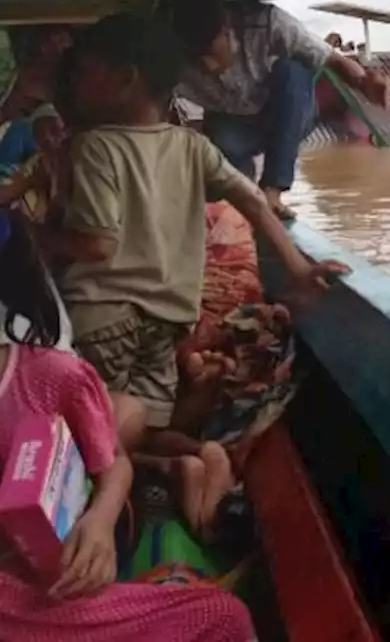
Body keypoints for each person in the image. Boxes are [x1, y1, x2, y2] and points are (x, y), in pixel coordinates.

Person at [30, 13, 347, 531]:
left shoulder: (94, 147)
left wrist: (36, 234)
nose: (76, 85)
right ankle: (198, 457)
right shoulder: (192, 146)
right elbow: (254, 200)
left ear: (125, 78)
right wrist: (297, 267)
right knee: (145, 423)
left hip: (101, 315)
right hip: (169, 319)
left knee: (97, 432)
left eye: (85, 71)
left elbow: (96, 245)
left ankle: (161, 475)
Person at [0, 212, 256, 641]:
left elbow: (113, 464)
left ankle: (175, 472)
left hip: (42, 592)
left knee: (221, 618)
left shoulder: (48, 377)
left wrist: (99, 523)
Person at [170, 0, 390, 221]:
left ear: (227, 28)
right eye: (197, 59)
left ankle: (273, 190)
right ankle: (243, 193)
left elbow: (334, 61)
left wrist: (364, 82)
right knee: (231, 192)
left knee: (293, 70)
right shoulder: (172, 61)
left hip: (290, 116)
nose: (209, 67)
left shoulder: (269, 23)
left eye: (211, 51)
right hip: (234, 130)